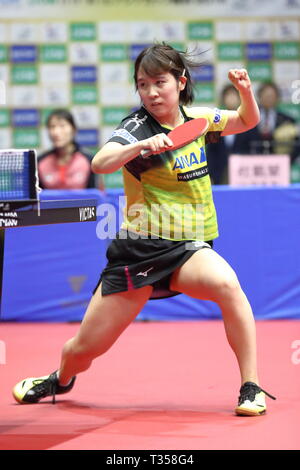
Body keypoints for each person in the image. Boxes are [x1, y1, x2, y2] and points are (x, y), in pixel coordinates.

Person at [12, 43, 276, 416]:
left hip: (187, 246)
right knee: (84, 348)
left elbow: (244, 121)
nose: (151, 92)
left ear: (180, 83)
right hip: (140, 250)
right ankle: (60, 377)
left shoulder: (197, 120)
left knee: (228, 285)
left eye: (159, 82)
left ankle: (251, 386)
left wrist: (246, 92)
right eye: (143, 84)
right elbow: (101, 162)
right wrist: (138, 147)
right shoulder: (135, 126)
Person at [38, 109, 104, 190]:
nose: (56, 132)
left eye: (62, 126)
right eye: (52, 127)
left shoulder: (89, 160)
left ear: (73, 130)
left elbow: (96, 195)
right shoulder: (40, 161)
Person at [206, 84, 241, 184]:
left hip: (243, 174)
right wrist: (211, 174)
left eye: (234, 95)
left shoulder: (248, 122)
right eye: (228, 95)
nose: (231, 99)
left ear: (240, 98)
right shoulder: (216, 123)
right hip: (219, 174)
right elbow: (211, 153)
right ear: (223, 99)